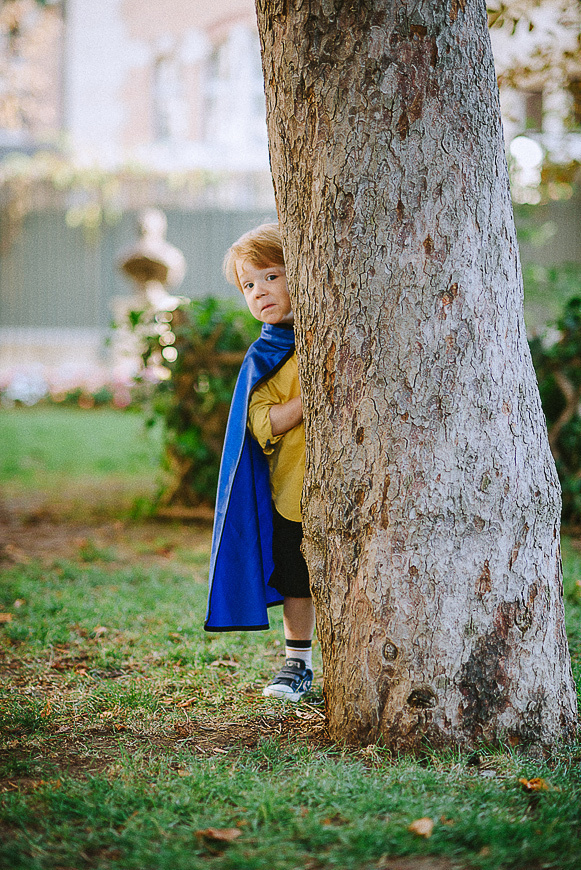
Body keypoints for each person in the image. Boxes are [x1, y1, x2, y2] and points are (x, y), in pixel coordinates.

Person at [205, 223, 315, 702]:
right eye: (248, 285)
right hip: (293, 493)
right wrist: (311, 398)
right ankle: (298, 662)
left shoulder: (329, 335)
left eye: (270, 275)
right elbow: (262, 421)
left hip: (357, 494)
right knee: (296, 578)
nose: (259, 291)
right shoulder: (265, 355)